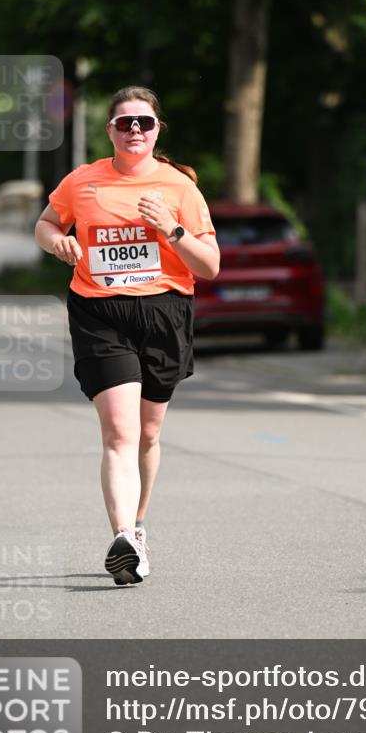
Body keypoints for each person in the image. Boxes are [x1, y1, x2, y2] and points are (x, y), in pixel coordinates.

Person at [35, 86, 220, 586]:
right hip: (100, 311)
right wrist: (59, 243)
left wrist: (172, 231)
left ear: (158, 130)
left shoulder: (180, 188)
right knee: (120, 433)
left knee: (149, 432)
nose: (134, 129)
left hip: (164, 312)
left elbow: (210, 267)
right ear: (110, 131)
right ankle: (121, 537)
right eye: (124, 123)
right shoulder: (83, 181)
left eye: (144, 122)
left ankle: (138, 527)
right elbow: (47, 223)